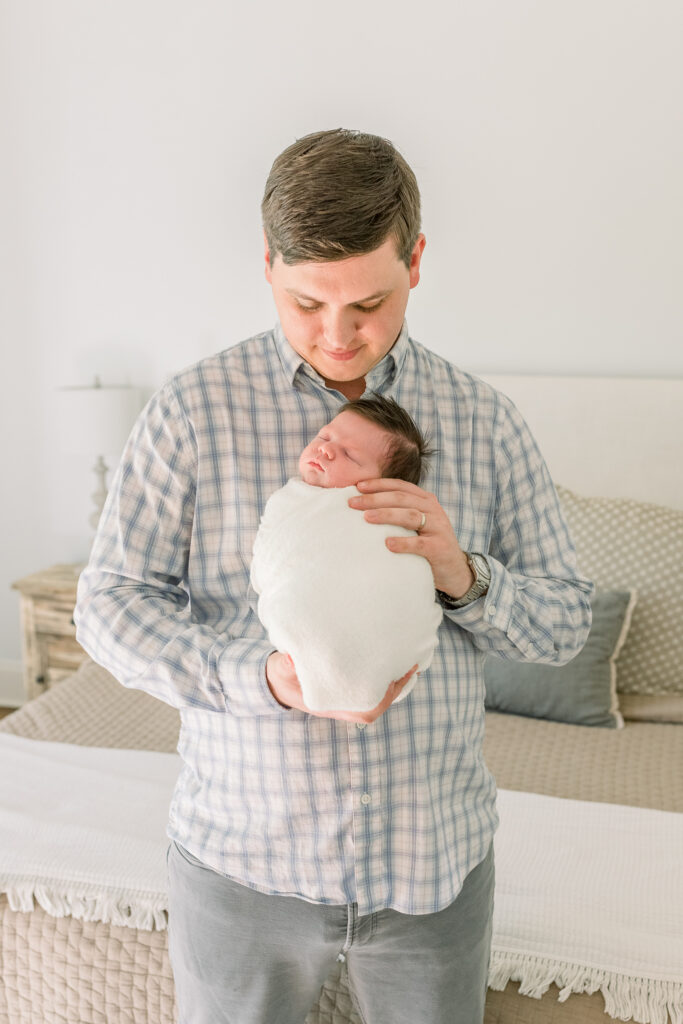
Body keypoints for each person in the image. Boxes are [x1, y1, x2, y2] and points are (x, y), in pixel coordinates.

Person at [74, 128, 593, 1024]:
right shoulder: (193, 410)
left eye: (370, 303)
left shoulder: (484, 421)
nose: (337, 335)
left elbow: (563, 624)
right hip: (239, 868)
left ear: (416, 261)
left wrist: (462, 575)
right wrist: (263, 678)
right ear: (267, 265)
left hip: (432, 874)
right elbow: (109, 607)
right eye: (306, 302)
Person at [250, 395, 443, 714]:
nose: (325, 448)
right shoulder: (291, 502)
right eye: (325, 437)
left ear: (383, 486)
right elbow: (271, 562)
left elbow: (401, 576)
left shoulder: (389, 516)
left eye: (350, 455)